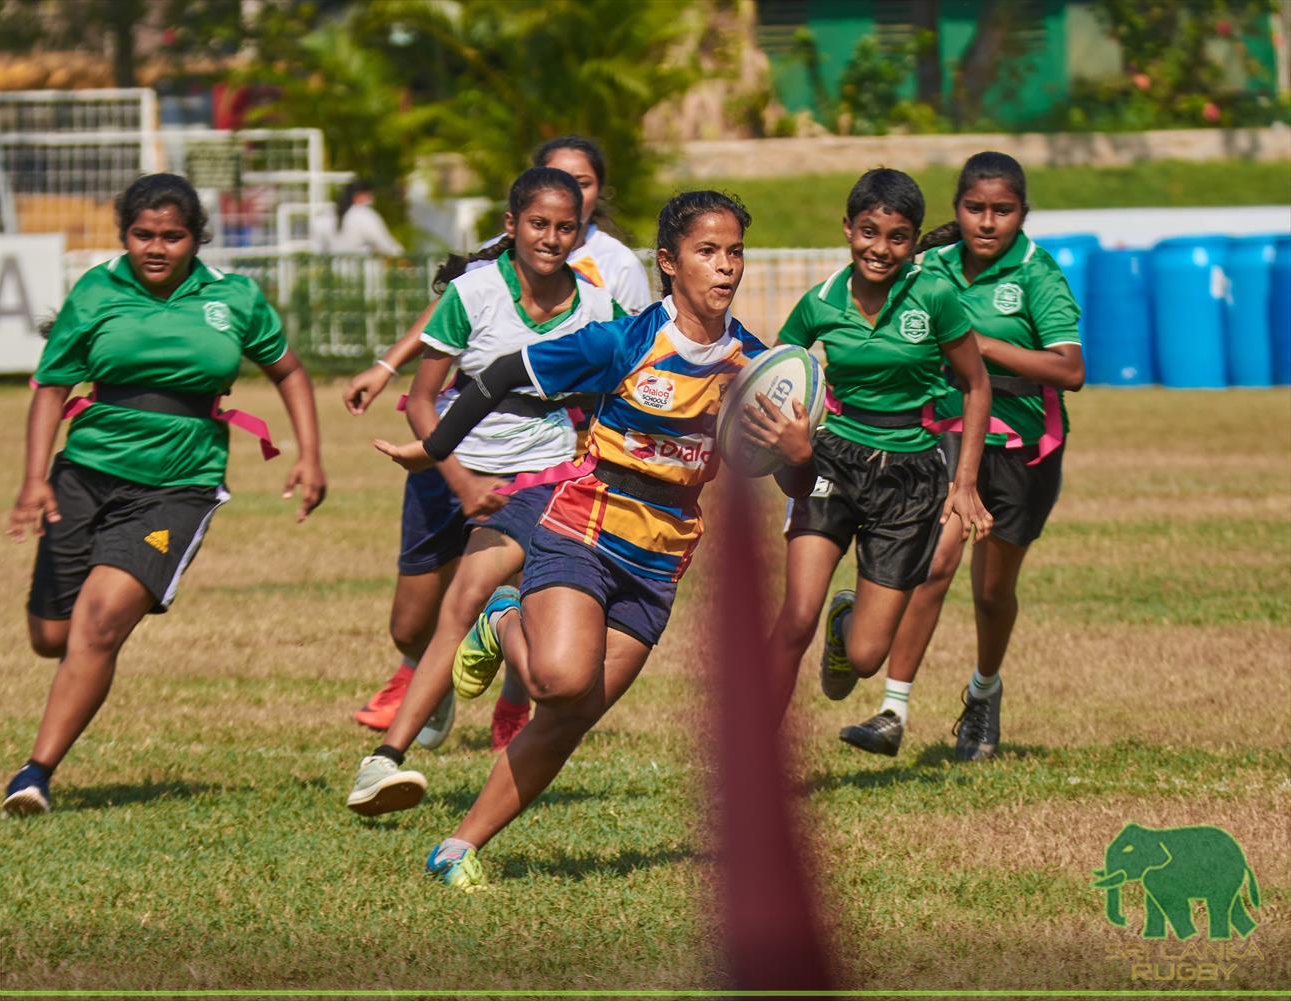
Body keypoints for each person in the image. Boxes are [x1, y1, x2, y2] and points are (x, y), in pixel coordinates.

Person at [351, 191, 812, 894]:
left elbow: (797, 489)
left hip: (660, 563)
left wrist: (800, 452)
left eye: (735, 252)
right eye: (706, 252)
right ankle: (502, 617)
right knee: (559, 678)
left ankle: (457, 846)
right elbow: (504, 373)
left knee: (571, 715)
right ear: (668, 262)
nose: (725, 268)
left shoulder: (752, 367)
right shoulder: (624, 341)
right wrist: (435, 444)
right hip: (583, 530)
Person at [1, 173, 326, 816]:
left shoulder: (232, 297)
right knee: (50, 634)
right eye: (142, 234)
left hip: (179, 485)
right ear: (124, 235)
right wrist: (34, 479)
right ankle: (76, 679)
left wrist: (310, 454)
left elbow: (287, 370)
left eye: (172, 236)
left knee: (97, 626)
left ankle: (34, 775)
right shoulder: (96, 290)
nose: (156, 247)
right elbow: (49, 386)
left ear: (196, 238)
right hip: (85, 474)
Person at [345, 136, 650, 752]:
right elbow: (426, 390)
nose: (553, 235)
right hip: (451, 459)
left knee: (486, 591)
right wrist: (453, 472)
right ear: (513, 223)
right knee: (410, 624)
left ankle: (460, 719)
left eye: (567, 221)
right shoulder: (479, 284)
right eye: (539, 221)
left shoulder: (608, 282)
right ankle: (436, 677)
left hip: (540, 469)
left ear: (590, 206)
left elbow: (638, 358)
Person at [836, 152, 1084, 761]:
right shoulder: (929, 267)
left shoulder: (1038, 275)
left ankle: (983, 691)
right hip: (948, 432)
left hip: (1026, 448)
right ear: (957, 210)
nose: (988, 222)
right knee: (935, 564)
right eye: (976, 208)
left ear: (1023, 214)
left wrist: (985, 345)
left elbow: (1070, 369)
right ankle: (893, 709)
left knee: (993, 594)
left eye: (1003, 210)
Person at [769, 168, 994, 727]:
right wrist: (787, 441)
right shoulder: (819, 302)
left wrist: (963, 482)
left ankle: (846, 624)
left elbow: (976, 385)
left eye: (897, 237)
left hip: (912, 475)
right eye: (869, 232)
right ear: (848, 229)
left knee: (866, 657)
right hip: (834, 460)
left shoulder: (936, 297)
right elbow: (776, 376)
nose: (881, 249)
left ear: (914, 242)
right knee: (797, 616)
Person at [312, 179, 404, 257]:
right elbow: (385, 243)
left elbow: (317, 249)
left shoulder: (325, 216)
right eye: (369, 196)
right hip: (362, 273)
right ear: (359, 196)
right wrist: (401, 255)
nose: (371, 200)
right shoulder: (364, 215)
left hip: (333, 272)